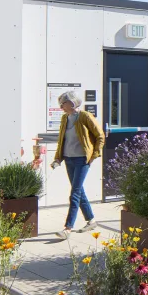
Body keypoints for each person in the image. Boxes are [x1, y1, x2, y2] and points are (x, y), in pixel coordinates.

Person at [51, 91, 105, 240]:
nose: (61, 106)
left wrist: (94, 156)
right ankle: (91, 220)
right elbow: (62, 140)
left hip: (82, 160)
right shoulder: (65, 118)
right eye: (60, 103)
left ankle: (67, 228)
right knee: (79, 190)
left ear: (72, 103)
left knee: (74, 193)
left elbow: (100, 136)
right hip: (68, 159)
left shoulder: (85, 116)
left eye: (63, 103)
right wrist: (57, 159)